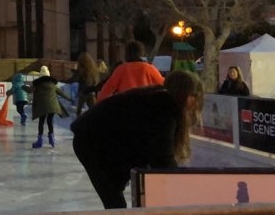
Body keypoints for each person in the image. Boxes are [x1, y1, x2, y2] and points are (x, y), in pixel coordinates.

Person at [71, 70, 204, 209]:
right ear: (182, 93)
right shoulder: (165, 106)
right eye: (194, 96)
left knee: (116, 197)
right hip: (90, 141)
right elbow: (163, 156)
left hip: (99, 140)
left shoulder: (159, 99)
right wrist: (183, 188)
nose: (195, 102)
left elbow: (153, 149)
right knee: (115, 201)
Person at [97, 41, 164, 102]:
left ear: (126, 54)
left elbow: (104, 93)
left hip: (126, 107)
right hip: (146, 106)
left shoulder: (121, 69)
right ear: (141, 53)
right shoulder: (149, 68)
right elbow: (164, 85)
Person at [29, 66, 70, 148]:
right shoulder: (53, 85)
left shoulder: (37, 85)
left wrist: (22, 87)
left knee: (41, 122)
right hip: (53, 106)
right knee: (49, 121)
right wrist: (71, 99)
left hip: (42, 106)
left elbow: (29, 90)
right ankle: (51, 138)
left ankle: (40, 141)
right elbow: (61, 93)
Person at [64, 52, 103, 117]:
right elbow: (96, 80)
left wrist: (64, 81)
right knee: (94, 109)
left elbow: (74, 79)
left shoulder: (81, 70)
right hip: (91, 92)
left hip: (83, 92)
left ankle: (79, 123)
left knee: (79, 110)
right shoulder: (93, 69)